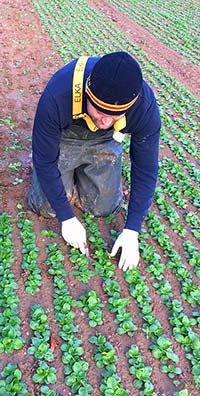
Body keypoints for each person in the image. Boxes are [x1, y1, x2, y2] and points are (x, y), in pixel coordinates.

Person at [28, 51, 161, 270]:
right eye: (100, 110)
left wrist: (132, 230)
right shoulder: (58, 95)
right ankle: (69, 179)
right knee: (46, 206)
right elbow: (44, 160)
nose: (106, 120)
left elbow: (145, 169)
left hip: (104, 141)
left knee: (104, 207)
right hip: (67, 135)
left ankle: (80, 178)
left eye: (115, 115)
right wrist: (67, 218)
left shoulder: (144, 106)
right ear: (88, 95)